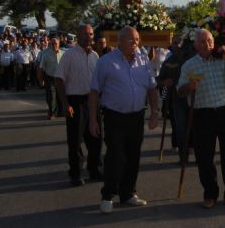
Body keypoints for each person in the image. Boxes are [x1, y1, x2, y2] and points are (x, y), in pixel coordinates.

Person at [88, 26, 159, 214]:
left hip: (136, 116)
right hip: (114, 117)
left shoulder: (144, 61)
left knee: (133, 155)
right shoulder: (106, 62)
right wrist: (92, 120)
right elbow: (94, 92)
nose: (135, 43)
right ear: (119, 41)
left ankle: (128, 193)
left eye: (137, 39)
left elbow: (152, 88)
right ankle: (108, 195)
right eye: (131, 39)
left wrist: (154, 113)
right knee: (115, 156)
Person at [177, 29, 225, 209]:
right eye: (202, 41)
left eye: (209, 41)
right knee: (205, 158)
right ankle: (210, 195)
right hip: (202, 114)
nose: (206, 45)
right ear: (195, 45)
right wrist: (188, 86)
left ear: (214, 43)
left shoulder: (223, 61)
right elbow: (179, 91)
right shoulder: (189, 65)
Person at [54, 25, 102, 187]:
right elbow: (59, 79)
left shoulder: (95, 56)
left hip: (93, 102)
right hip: (76, 102)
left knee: (95, 137)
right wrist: (65, 104)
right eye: (85, 34)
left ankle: (94, 169)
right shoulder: (69, 55)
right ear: (78, 36)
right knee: (75, 140)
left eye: (91, 34)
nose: (89, 37)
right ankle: (75, 173)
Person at [157, 35, 193, 164]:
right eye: (174, 43)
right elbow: (159, 81)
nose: (176, 45)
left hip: (194, 98)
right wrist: (164, 82)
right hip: (177, 100)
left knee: (196, 126)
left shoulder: (192, 59)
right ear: (171, 45)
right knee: (180, 127)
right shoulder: (168, 61)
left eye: (179, 42)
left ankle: (198, 152)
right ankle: (183, 156)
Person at [38, 38, 63, 119]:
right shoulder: (46, 55)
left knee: (60, 95)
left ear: (59, 44)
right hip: (50, 78)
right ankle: (52, 113)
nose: (54, 45)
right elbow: (41, 68)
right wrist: (41, 80)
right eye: (52, 44)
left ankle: (60, 111)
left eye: (56, 44)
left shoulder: (63, 54)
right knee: (51, 96)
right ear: (50, 45)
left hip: (60, 78)